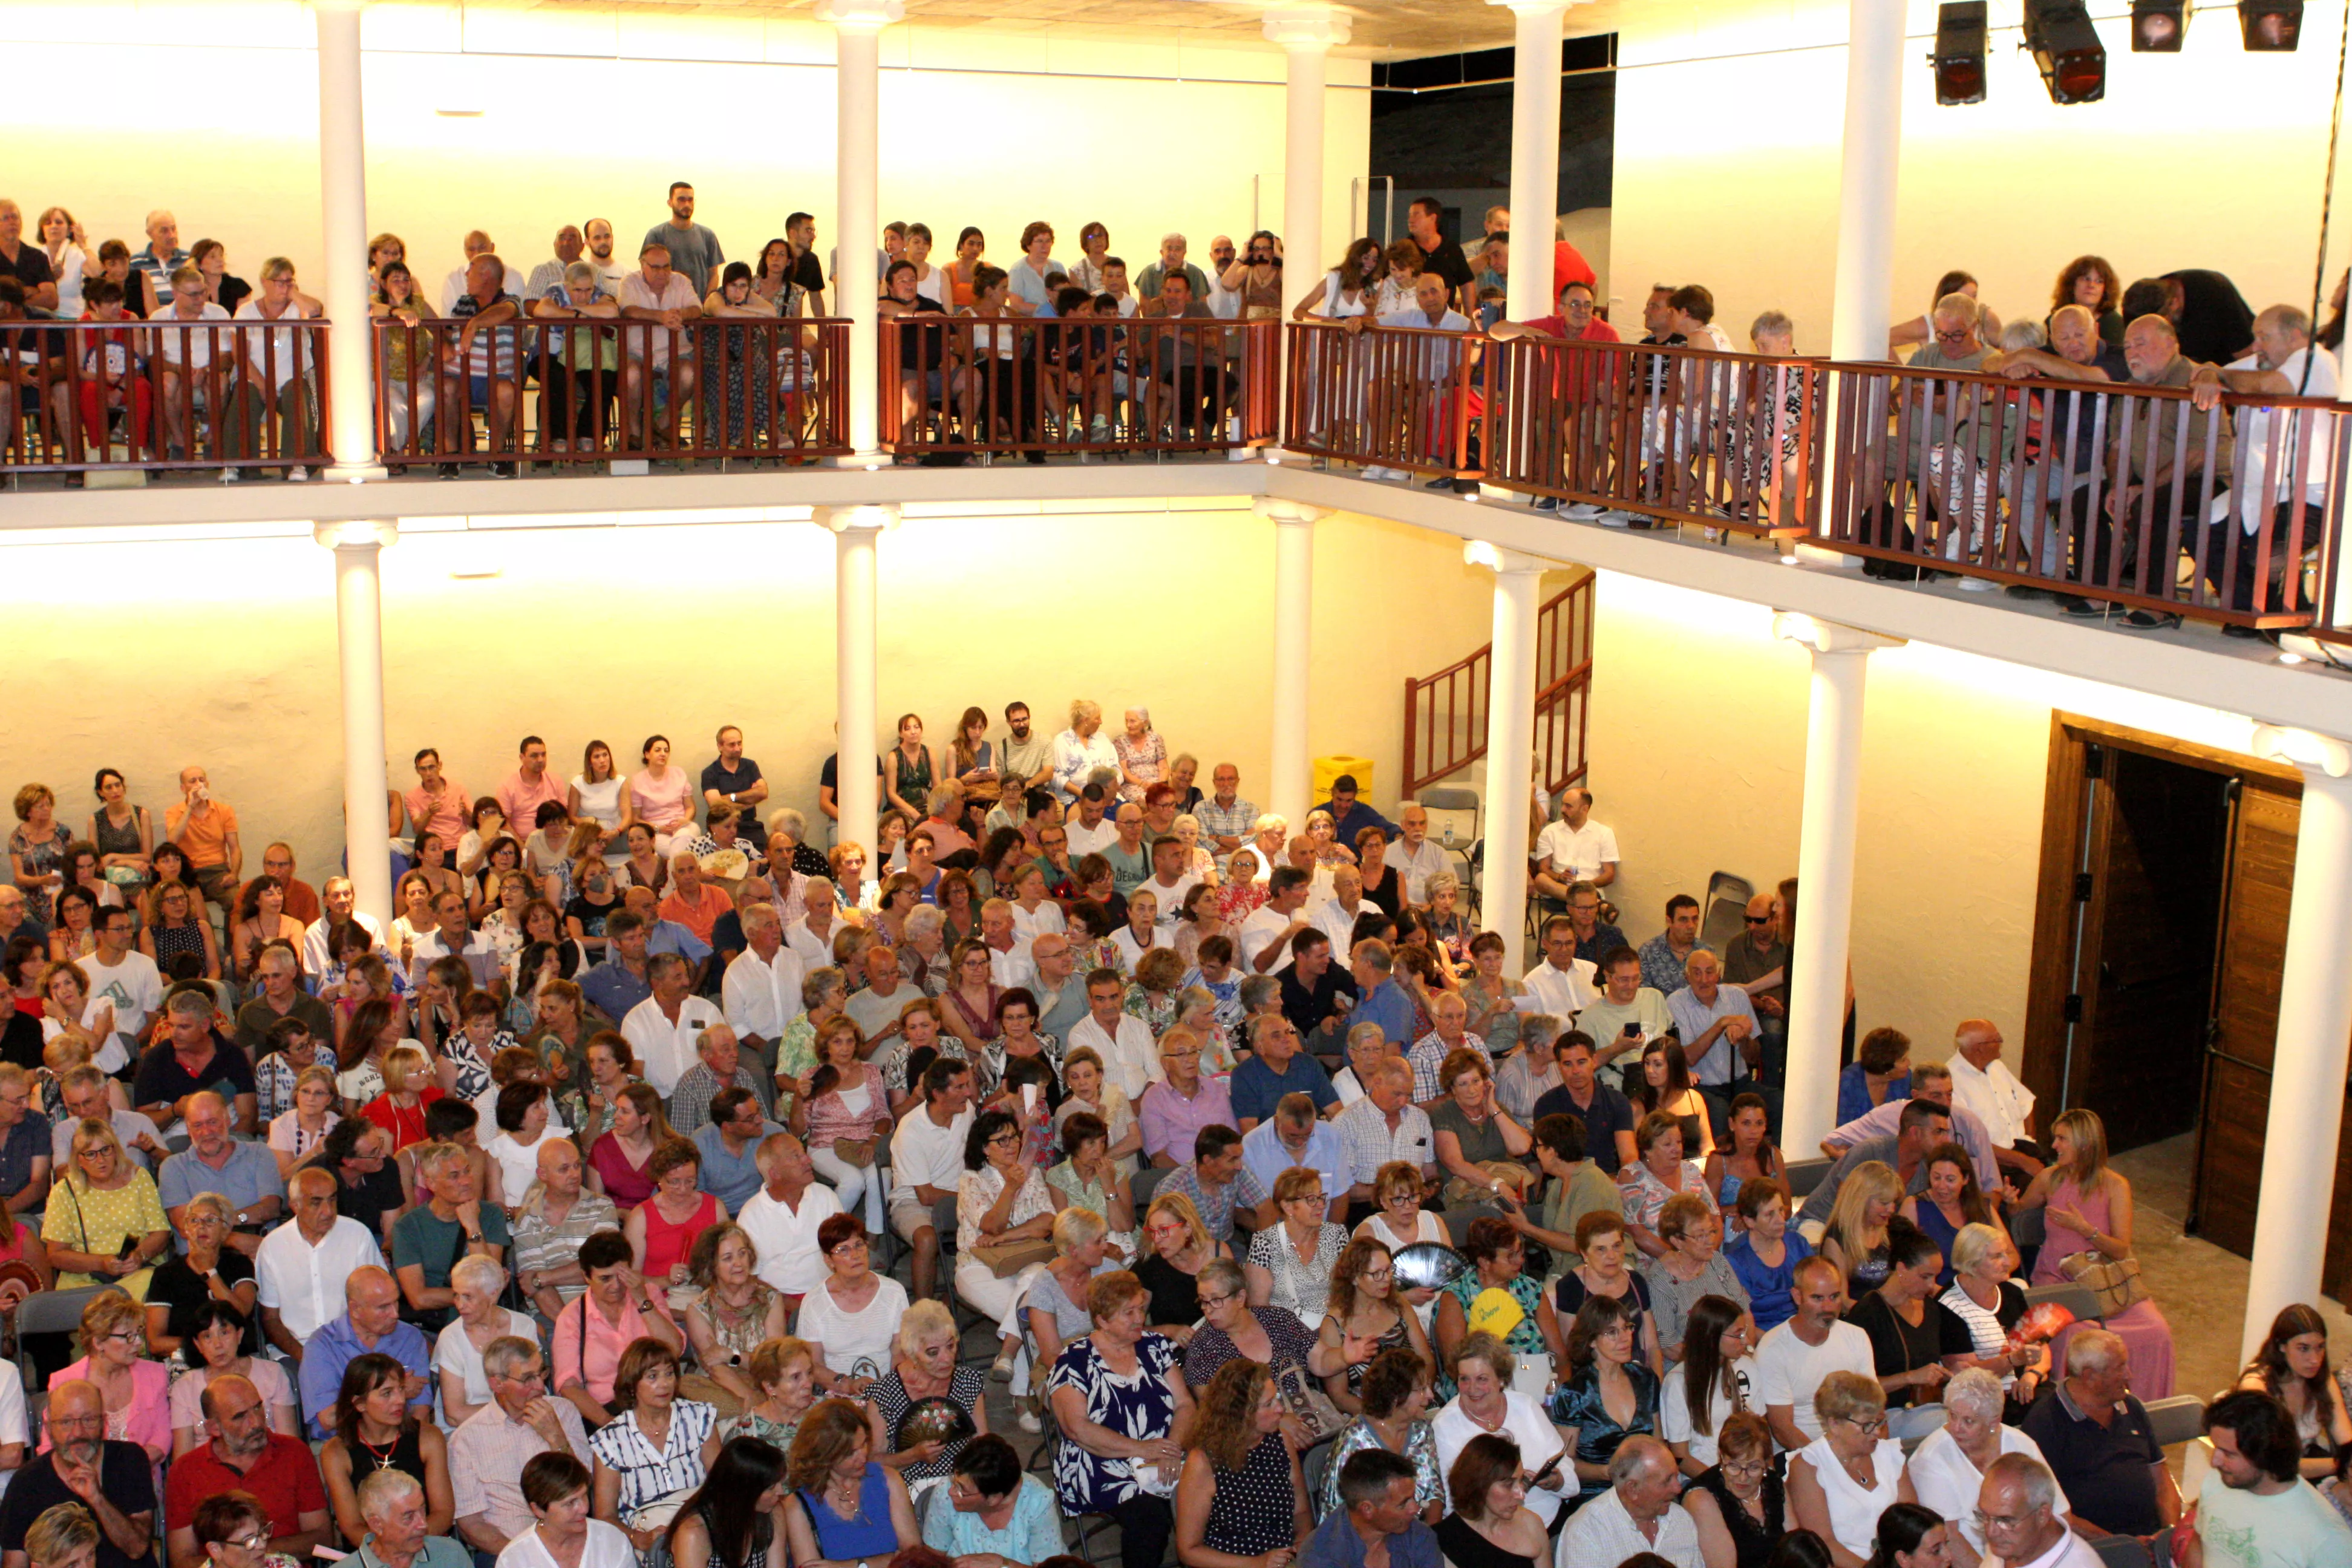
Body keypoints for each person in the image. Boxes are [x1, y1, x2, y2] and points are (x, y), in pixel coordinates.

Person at [2014, 1109, 2174, 1399]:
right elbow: (2019, 1213)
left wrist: (2085, 1230)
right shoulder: (2050, 1178)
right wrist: (2010, 1201)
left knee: (2157, 1329)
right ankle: (2073, 1405)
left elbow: (2121, 1248)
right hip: (2057, 1278)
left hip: (2104, 1277)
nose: (2054, 1146)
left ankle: (2142, 1407)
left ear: (2086, 1144)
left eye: (2062, 1139)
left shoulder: (2115, 1186)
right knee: (2077, 1336)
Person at [1047, 1270, 1195, 1568]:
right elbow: (1078, 1429)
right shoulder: (1074, 1361)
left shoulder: (1154, 1347)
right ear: (1102, 1320)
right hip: (1101, 1463)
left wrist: (1171, 1448)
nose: (1139, 1318)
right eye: (1128, 1312)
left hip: (1165, 1452)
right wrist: (1142, 1450)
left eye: (1141, 1308)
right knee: (1150, 1518)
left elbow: (1185, 1406)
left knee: (1215, 1491)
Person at [2020, 1327, 2180, 1539]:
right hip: (2093, 1549)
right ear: (2090, 1377)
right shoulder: (2045, 1423)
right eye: (2120, 1368)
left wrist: (2170, 1534)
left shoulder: (2131, 1407)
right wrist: (2120, 1546)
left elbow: (2161, 1480)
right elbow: (2048, 1510)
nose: (2129, 1375)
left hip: (2151, 1539)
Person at [161, 1375, 329, 1568]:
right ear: (214, 1427)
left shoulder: (294, 1453)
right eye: (240, 1416)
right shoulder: (185, 1471)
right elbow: (183, 1560)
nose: (256, 1422)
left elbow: (322, 1539)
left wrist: (252, 1552)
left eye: (258, 1407)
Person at [1906, 1368, 2071, 1563]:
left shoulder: (2022, 1445)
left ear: (1994, 1422)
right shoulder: (1931, 1458)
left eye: (1969, 1421)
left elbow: (2059, 1513)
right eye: (1953, 1416)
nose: (1956, 1428)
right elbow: (1949, 1539)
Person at [450, 1337, 594, 1561]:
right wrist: (525, 1557)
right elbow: (471, 1523)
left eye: (541, 1373)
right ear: (497, 1384)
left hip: (573, 1543)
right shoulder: (466, 1439)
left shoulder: (564, 1412)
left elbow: (585, 1487)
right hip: (508, 1552)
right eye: (527, 1379)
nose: (540, 1386)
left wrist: (557, 1438)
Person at [2189, 1389, 2352, 1568]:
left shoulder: (2329, 1540)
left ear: (2265, 1455)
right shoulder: (2218, 1480)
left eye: (2228, 1454)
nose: (2214, 1462)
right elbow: (2199, 1544)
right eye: (2216, 1448)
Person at [587, 1337, 719, 1556]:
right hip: (647, 1540)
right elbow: (605, 1517)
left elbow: (721, 1483)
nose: (665, 1384)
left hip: (701, 1524)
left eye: (670, 1374)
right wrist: (638, 1539)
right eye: (653, 1376)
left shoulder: (699, 1417)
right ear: (632, 1385)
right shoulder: (610, 1441)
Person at [0, 1381, 154, 1568]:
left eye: (89, 1420)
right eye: (66, 1422)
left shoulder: (129, 1459)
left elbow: (137, 1549)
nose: (78, 1432)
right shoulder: (26, 1483)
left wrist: (97, 1499)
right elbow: (15, 1564)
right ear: (49, 1429)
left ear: (104, 1423)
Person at [1175, 1359, 1310, 1568]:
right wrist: (1256, 1563)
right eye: (1268, 1404)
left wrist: (1302, 1544)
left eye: (1276, 1398)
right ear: (1241, 1414)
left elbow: (1301, 1512)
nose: (1280, 1409)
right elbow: (1189, 1550)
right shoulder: (1204, 1462)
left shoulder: (1281, 1441)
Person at [321, 1353, 456, 1551]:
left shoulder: (429, 1437)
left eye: (401, 1389)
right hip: (373, 1552)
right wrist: (389, 1550)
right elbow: (351, 1526)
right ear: (360, 1404)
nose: (400, 1400)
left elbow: (443, 1513)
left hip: (426, 1544)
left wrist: (411, 1542)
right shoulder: (336, 1452)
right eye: (387, 1393)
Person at [1429, 1334, 1566, 1529]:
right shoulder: (1444, 1426)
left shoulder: (1525, 1405)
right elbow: (1453, 1503)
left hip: (1549, 1519)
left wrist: (1557, 1481)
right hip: (1487, 1531)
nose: (1472, 1388)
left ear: (1501, 1379)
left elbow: (1565, 1467)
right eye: (1464, 1379)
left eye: (1482, 1379)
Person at [1841, 1220, 1961, 1441]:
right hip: (1886, 1413)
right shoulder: (1868, 1314)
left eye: (1934, 1277)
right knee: (1956, 1426)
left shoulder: (1932, 1308)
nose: (1931, 1285)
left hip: (1927, 1406)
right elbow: (1856, 1390)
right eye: (1924, 1277)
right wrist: (1909, 1377)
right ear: (1901, 1268)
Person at [1786, 1372, 1913, 1568]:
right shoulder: (1808, 1466)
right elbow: (1824, 1544)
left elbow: (1912, 1526)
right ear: (1835, 1424)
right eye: (1867, 1425)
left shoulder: (1891, 1454)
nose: (1877, 1432)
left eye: (1879, 1422)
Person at [778, 1397, 916, 1567]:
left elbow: (914, 1559)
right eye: (851, 1453)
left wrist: (848, 1566)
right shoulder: (798, 1505)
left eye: (865, 1443)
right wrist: (887, 1560)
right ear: (825, 1455)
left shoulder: (889, 1480)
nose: (863, 1455)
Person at [297, 1266, 433, 1440]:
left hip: (400, 1442)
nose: (395, 1314)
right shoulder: (322, 1345)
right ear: (355, 1309)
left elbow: (420, 1412)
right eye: (383, 1307)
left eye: (396, 1302)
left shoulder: (410, 1338)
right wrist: (397, 1390)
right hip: (343, 1446)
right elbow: (329, 1418)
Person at [1754, 1258, 1875, 1451]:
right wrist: (1827, 1461)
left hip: (1853, 1448)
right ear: (1797, 1296)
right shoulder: (1773, 1348)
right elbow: (1782, 1428)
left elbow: (1873, 1409)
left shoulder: (1857, 1337)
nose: (1828, 1307)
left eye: (1834, 1297)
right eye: (1817, 1298)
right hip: (1798, 1455)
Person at [46, 1290, 169, 1465]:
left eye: (138, 1333)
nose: (138, 1342)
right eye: (129, 1336)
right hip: (81, 1479)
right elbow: (50, 1447)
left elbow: (161, 1440)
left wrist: (125, 1472)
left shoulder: (155, 1374)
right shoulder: (63, 1383)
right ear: (98, 1343)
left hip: (140, 1477)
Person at [871, 1298, 987, 1483]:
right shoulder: (884, 1393)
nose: (947, 1359)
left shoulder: (969, 1382)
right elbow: (872, 1462)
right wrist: (913, 1455)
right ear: (911, 1354)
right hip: (906, 1488)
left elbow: (982, 1446)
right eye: (933, 1352)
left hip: (961, 1485)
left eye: (951, 1346)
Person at [795, 1214, 909, 1396]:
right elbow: (813, 1365)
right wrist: (847, 1385)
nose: (855, 1255)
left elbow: (901, 1352)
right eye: (844, 1250)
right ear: (828, 1260)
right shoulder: (815, 1302)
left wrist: (889, 1389)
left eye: (859, 1245)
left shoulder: (894, 1292)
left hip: (889, 1389)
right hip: (838, 1394)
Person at [1555, 1435, 1703, 1568]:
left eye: (1677, 1477)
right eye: (1667, 1481)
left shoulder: (1681, 1519)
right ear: (1633, 1489)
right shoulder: (1587, 1530)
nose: (1678, 1488)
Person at [661, 1435, 790, 1568]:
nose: (780, 1492)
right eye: (771, 1488)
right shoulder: (694, 1532)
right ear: (744, 1491)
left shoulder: (773, 1514)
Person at [497, 1451, 633, 1568]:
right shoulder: (514, 1560)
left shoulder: (611, 1540)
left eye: (584, 1495)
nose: (584, 1509)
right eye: (570, 1503)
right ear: (538, 1510)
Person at [1975, 1454, 2102, 1568]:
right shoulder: (2009, 1542)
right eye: (1984, 1516)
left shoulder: (2079, 1564)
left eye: (2005, 1520)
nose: (1990, 1532)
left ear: (2042, 1515)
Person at [1723, 1180, 1811, 1333]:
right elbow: (1739, 1320)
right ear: (1750, 1221)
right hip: (1763, 1336)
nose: (1781, 1220)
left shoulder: (1798, 1244)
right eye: (1770, 1214)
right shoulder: (1737, 1262)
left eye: (1781, 1210)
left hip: (1805, 1327)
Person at [349, 1468, 470, 1568]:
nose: (423, 1524)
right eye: (409, 1517)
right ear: (377, 1524)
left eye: (423, 1511)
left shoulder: (451, 1554)